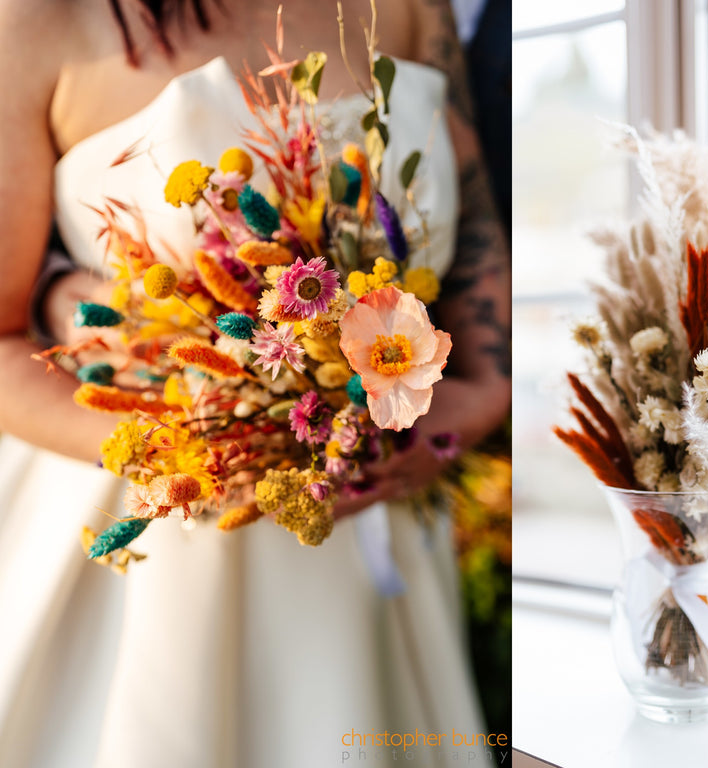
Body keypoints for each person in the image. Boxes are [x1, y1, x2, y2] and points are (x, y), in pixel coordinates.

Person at [0, 1, 510, 766]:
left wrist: (474, 404)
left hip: (375, 530)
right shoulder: (40, 21)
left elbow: (474, 242)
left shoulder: (411, 9)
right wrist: (195, 457)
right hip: (155, 550)